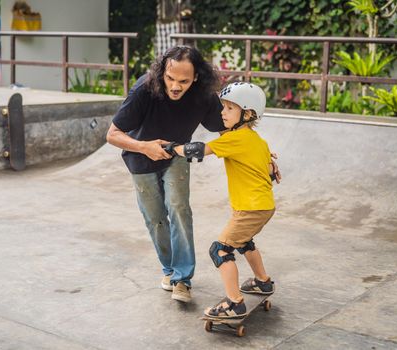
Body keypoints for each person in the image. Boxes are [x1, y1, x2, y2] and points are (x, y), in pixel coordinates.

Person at [106, 45, 226, 303]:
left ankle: (182, 279)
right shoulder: (144, 90)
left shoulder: (203, 95)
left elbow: (228, 131)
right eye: (170, 78)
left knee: (179, 209)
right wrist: (144, 147)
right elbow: (112, 135)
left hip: (176, 155)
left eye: (183, 81)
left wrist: (261, 155)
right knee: (155, 219)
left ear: (195, 78)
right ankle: (170, 270)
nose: (175, 86)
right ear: (162, 72)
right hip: (140, 158)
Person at [164, 82, 281, 318]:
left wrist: (170, 148)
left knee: (220, 250)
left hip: (250, 208)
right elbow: (269, 167)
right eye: (223, 107)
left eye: (229, 108)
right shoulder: (258, 140)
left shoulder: (235, 138)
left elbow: (198, 150)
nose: (222, 112)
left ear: (247, 114)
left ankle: (234, 303)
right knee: (244, 241)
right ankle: (263, 282)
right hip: (262, 206)